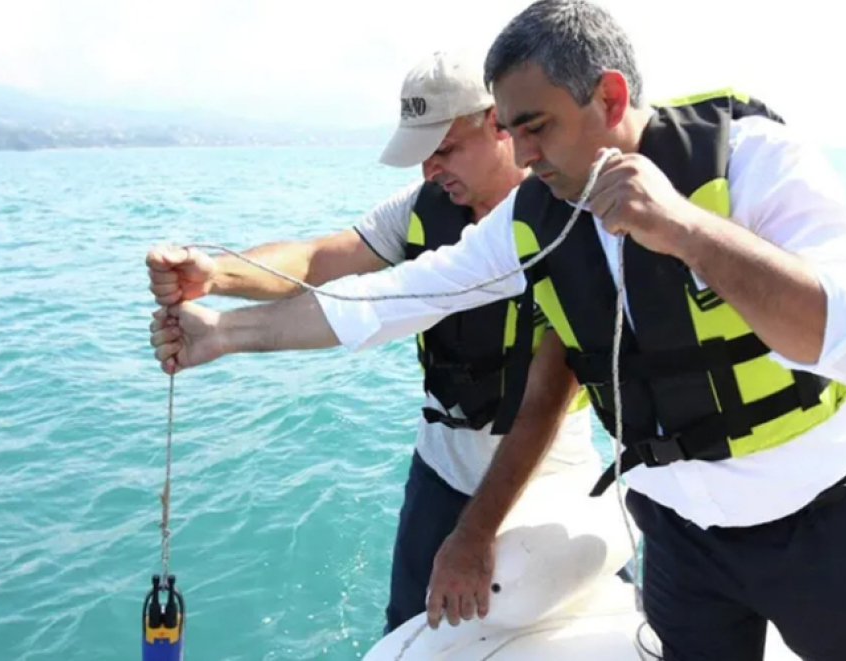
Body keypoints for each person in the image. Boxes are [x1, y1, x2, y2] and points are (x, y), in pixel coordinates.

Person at [146, 1, 846, 658]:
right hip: (681, 539)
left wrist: (688, 231)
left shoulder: (751, 158)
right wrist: (222, 334)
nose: (522, 153)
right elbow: (391, 296)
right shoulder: (536, 216)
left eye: (536, 127)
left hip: (828, 520)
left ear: (610, 99)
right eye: (512, 132)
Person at [145, 50, 605, 635]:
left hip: (547, 472)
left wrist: (474, 533)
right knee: (408, 628)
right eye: (422, 155)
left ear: (498, 123)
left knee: (554, 625)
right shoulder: (420, 209)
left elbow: (543, 402)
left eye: (445, 149)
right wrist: (217, 275)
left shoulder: (559, 222)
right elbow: (318, 260)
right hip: (442, 466)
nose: (431, 170)